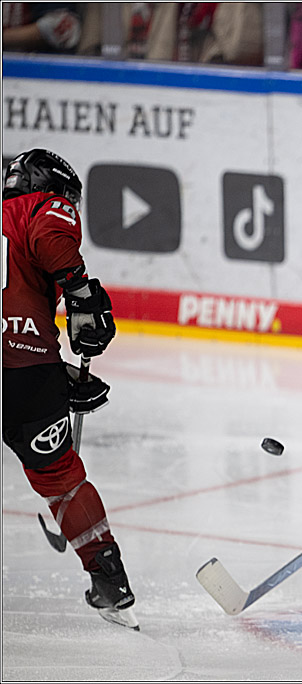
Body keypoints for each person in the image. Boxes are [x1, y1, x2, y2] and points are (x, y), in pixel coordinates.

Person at [2, 149, 136, 630]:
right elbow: (49, 236)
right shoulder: (43, 205)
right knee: (60, 476)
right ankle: (108, 578)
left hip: (26, 364)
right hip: (24, 368)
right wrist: (78, 289)